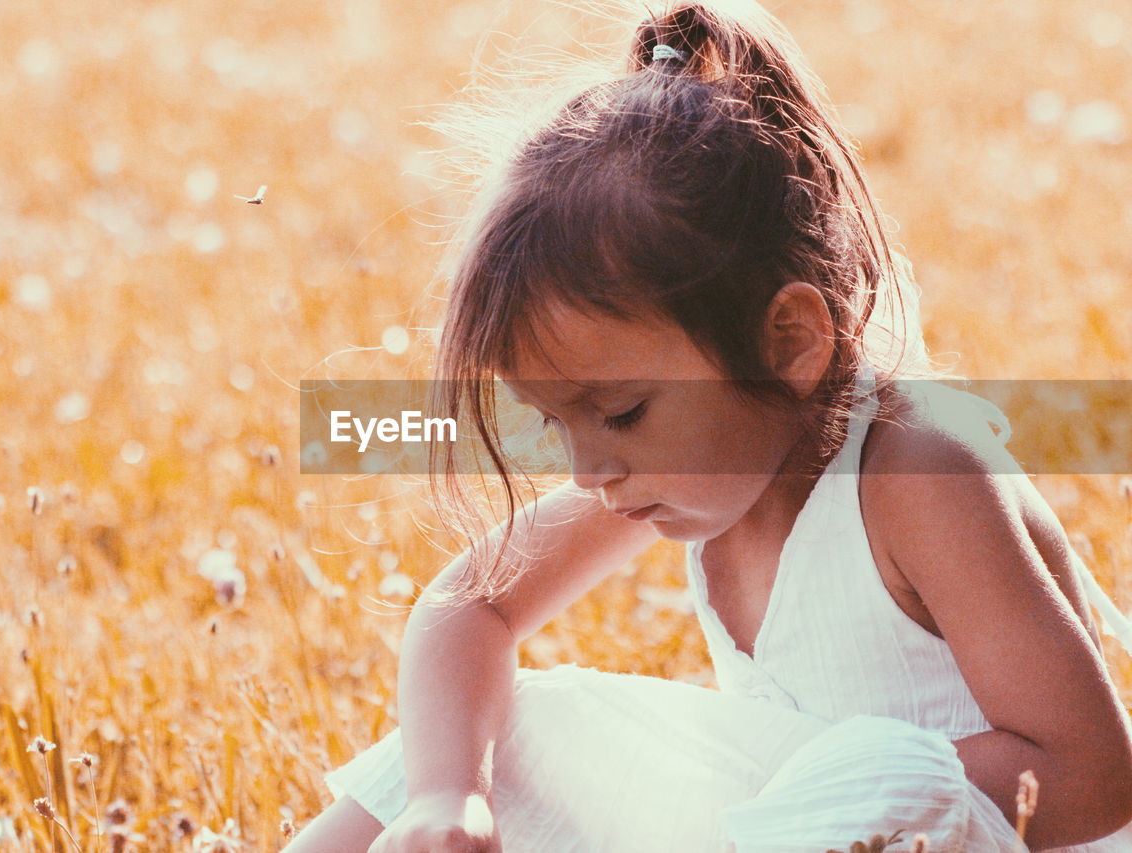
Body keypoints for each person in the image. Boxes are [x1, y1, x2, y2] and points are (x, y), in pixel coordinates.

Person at [287, 2, 1132, 850]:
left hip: (954, 827)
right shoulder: (695, 472)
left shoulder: (915, 477)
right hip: (776, 826)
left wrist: (812, 795)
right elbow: (469, 607)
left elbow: (1093, 776)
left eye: (621, 412)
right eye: (556, 422)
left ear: (789, 345)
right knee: (511, 725)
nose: (589, 471)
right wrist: (449, 794)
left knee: (885, 770)